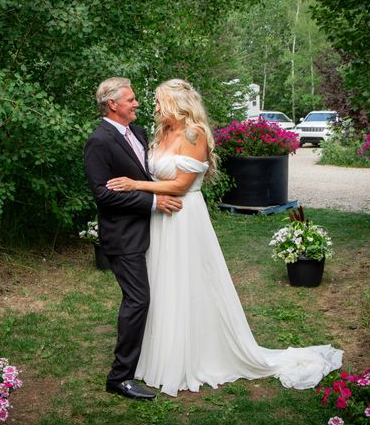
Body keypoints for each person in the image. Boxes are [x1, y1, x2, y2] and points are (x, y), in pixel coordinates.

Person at [107, 79, 343, 397]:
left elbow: (179, 185)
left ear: (178, 104)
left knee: (189, 283)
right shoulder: (162, 132)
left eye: (161, 101)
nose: (156, 107)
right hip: (160, 218)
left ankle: (193, 355)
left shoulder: (195, 134)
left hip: (185, 216)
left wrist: (135, 186)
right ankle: (158, 355)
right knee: (163, 285)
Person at [83, 77, 183, 400]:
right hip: (122, 236)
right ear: (113, 105)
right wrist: (153, 202)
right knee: (138, 300)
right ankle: (120, 377)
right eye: (131, 99)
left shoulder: (137, 133)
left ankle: (147, 362)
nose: (136, 103)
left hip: (149, 231)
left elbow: (146, 177)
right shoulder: (99, 141)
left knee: (149, 296)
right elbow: (103, 195)